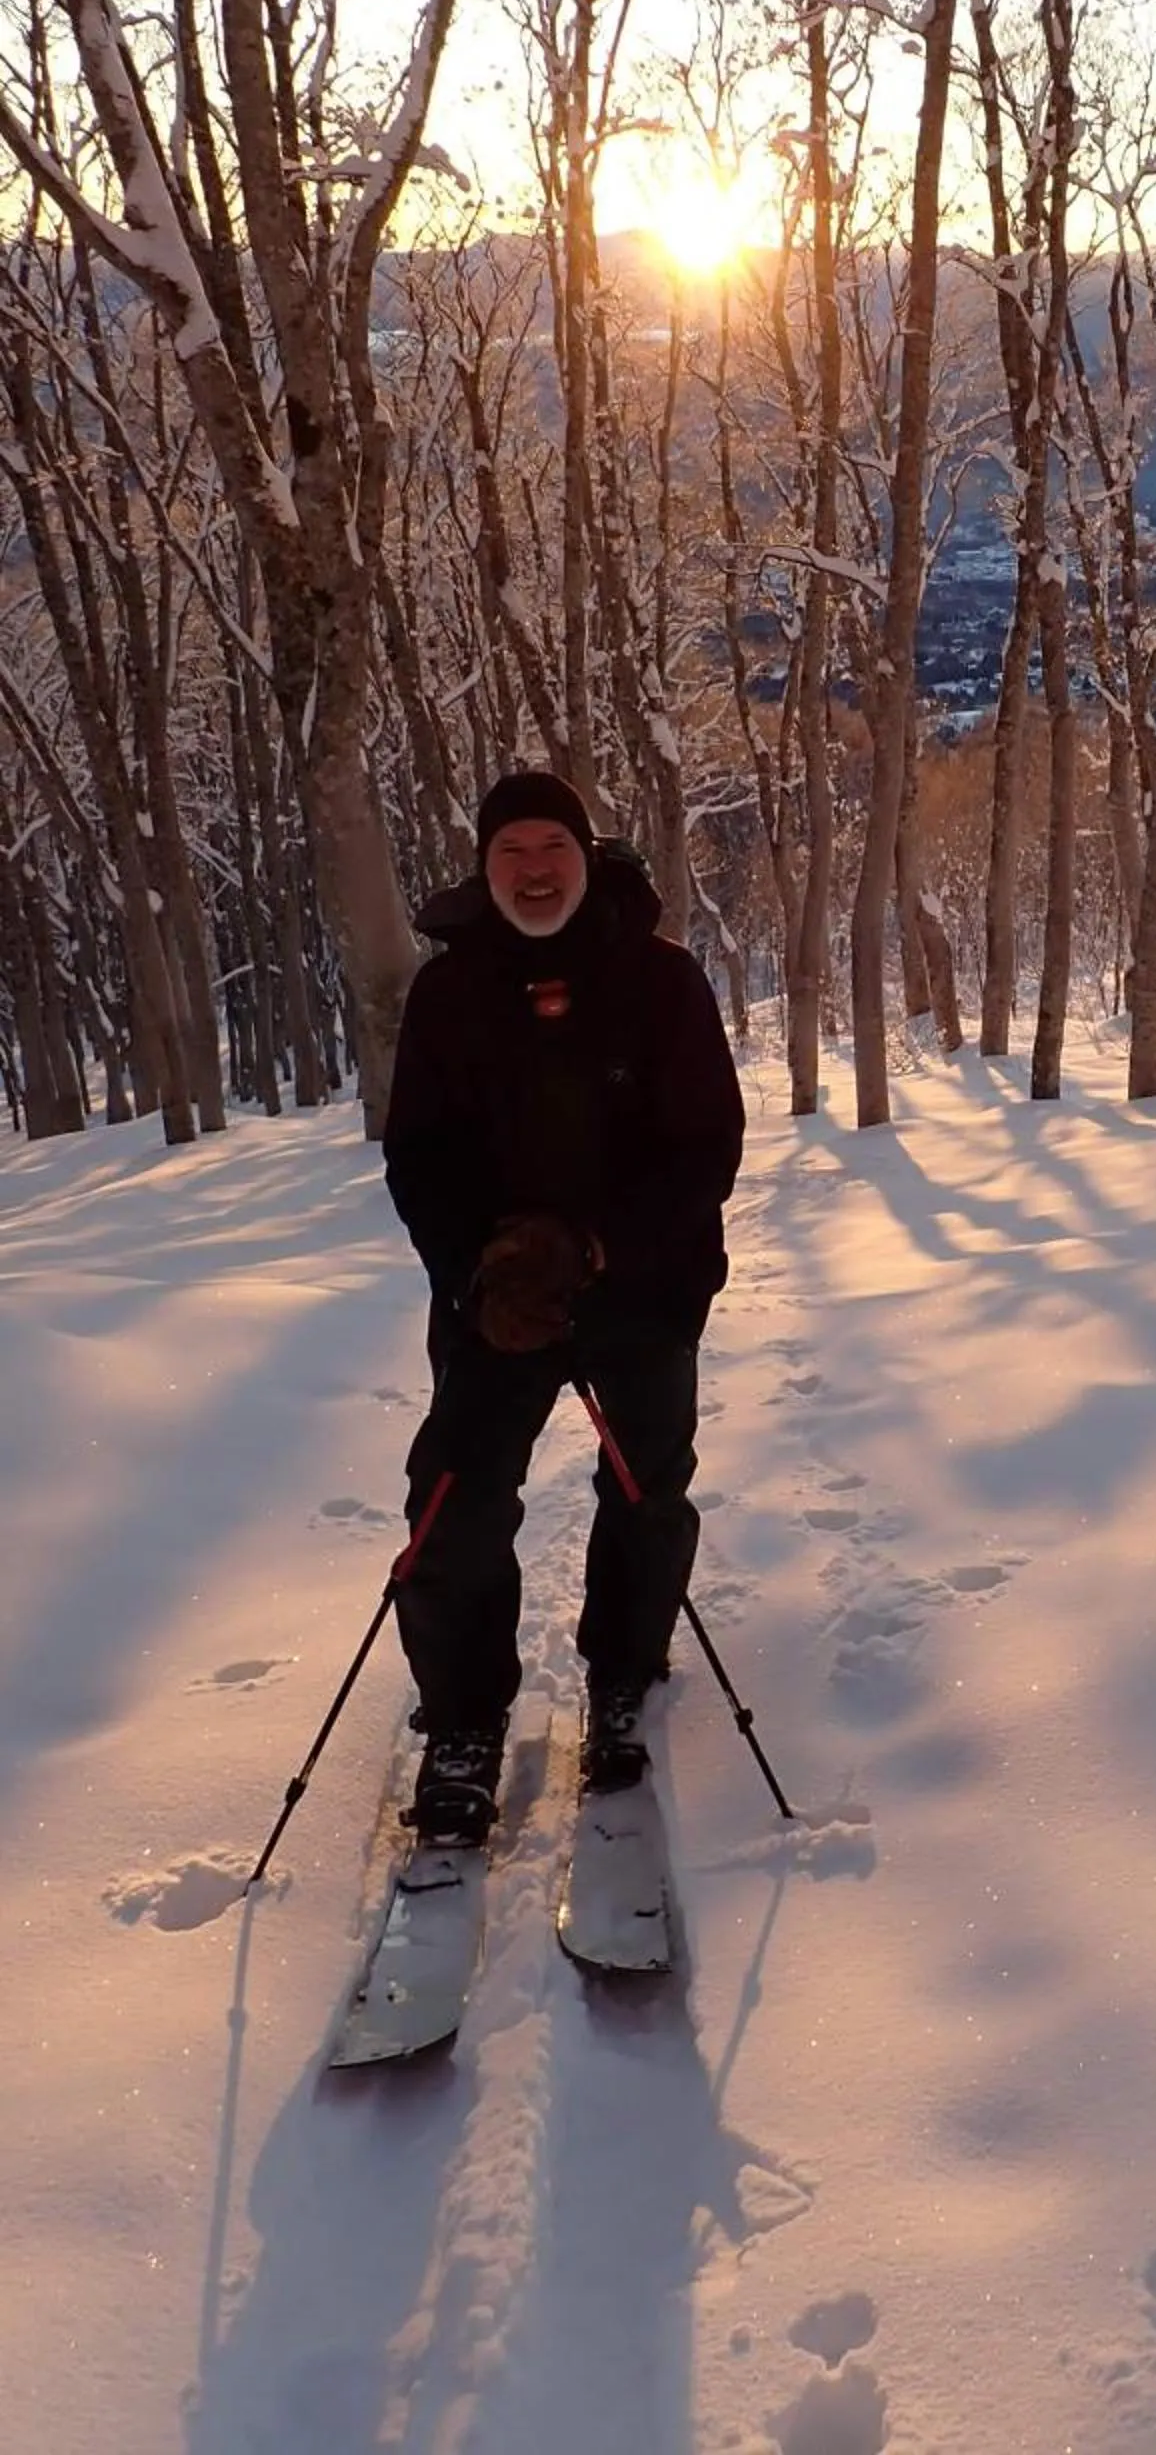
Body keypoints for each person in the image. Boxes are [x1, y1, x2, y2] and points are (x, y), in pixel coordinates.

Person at [381, 771, 745, 1843]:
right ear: (482, 866)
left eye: (553, 849)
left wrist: (594, 1246)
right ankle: (461, 1721)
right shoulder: (447, 995)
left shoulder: (663, 982)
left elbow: (705, 1149)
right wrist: (476, 1270)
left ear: (588, 859)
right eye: (511, 853)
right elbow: (419, 1155)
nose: (533, 871)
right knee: (452, 1497)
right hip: (498, 1301)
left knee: (645, 1489)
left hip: (645, 1285)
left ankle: (623, 1678)